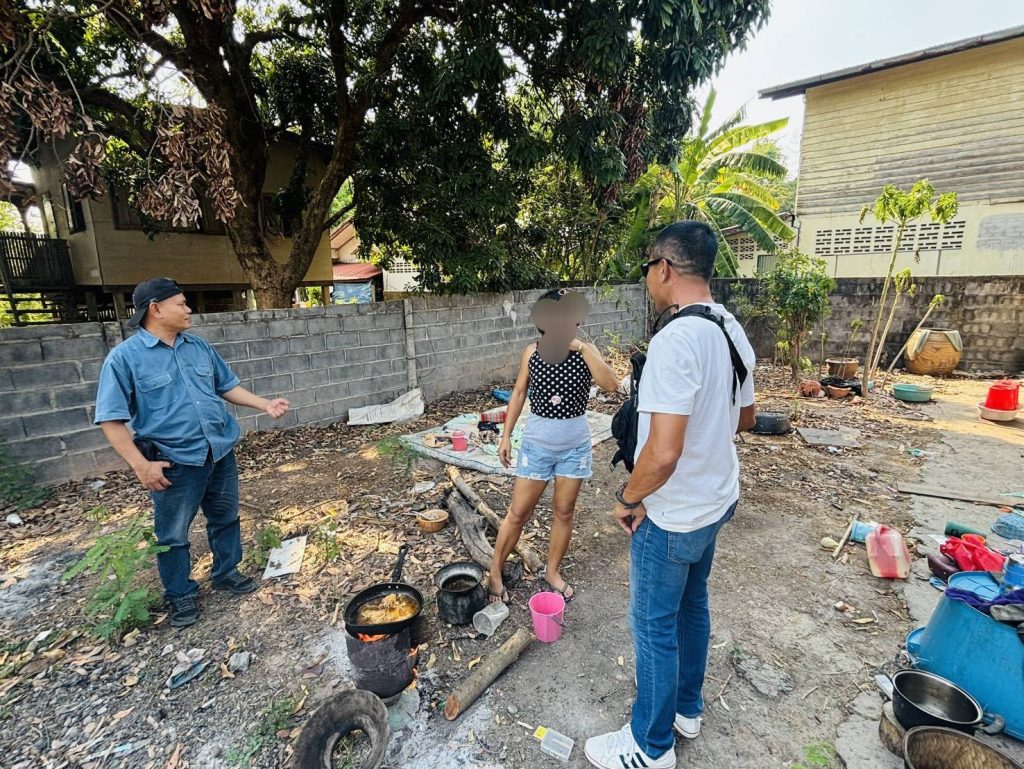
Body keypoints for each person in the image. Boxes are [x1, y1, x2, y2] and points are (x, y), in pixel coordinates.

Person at [585, 222, 757, 769]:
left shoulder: (675, 340)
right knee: (691, 605)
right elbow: (745, 418)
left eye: (647, 269)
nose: (647, 280)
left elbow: (661, 454)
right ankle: (686, 709)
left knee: (653, 624)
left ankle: (650, 745)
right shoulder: (729, 328)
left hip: (675, 513)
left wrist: (628, 498)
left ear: (663, 268)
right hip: (716, 500)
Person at [95, 278, 291, 628]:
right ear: (156, 309)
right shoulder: (124, 359)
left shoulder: (197, 346)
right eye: (181, 303)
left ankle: (226, 572)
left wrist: (264, 404)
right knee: (172, 534)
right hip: (174, 460)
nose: (189, 310)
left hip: (218, 451)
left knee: (225, 517)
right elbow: (111, 419)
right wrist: (141, 465)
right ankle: (180, 594)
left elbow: (226, 386)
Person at [488, 289, 618, 604]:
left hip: (574, 448)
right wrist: (505, 436)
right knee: (518, 512)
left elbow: (612, 385)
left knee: (564, 511)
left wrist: (582, 347)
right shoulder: (532, 352)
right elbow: (519, 393)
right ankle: (494, 573)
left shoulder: (586, 351)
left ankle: (552, 571)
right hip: (537, 446)